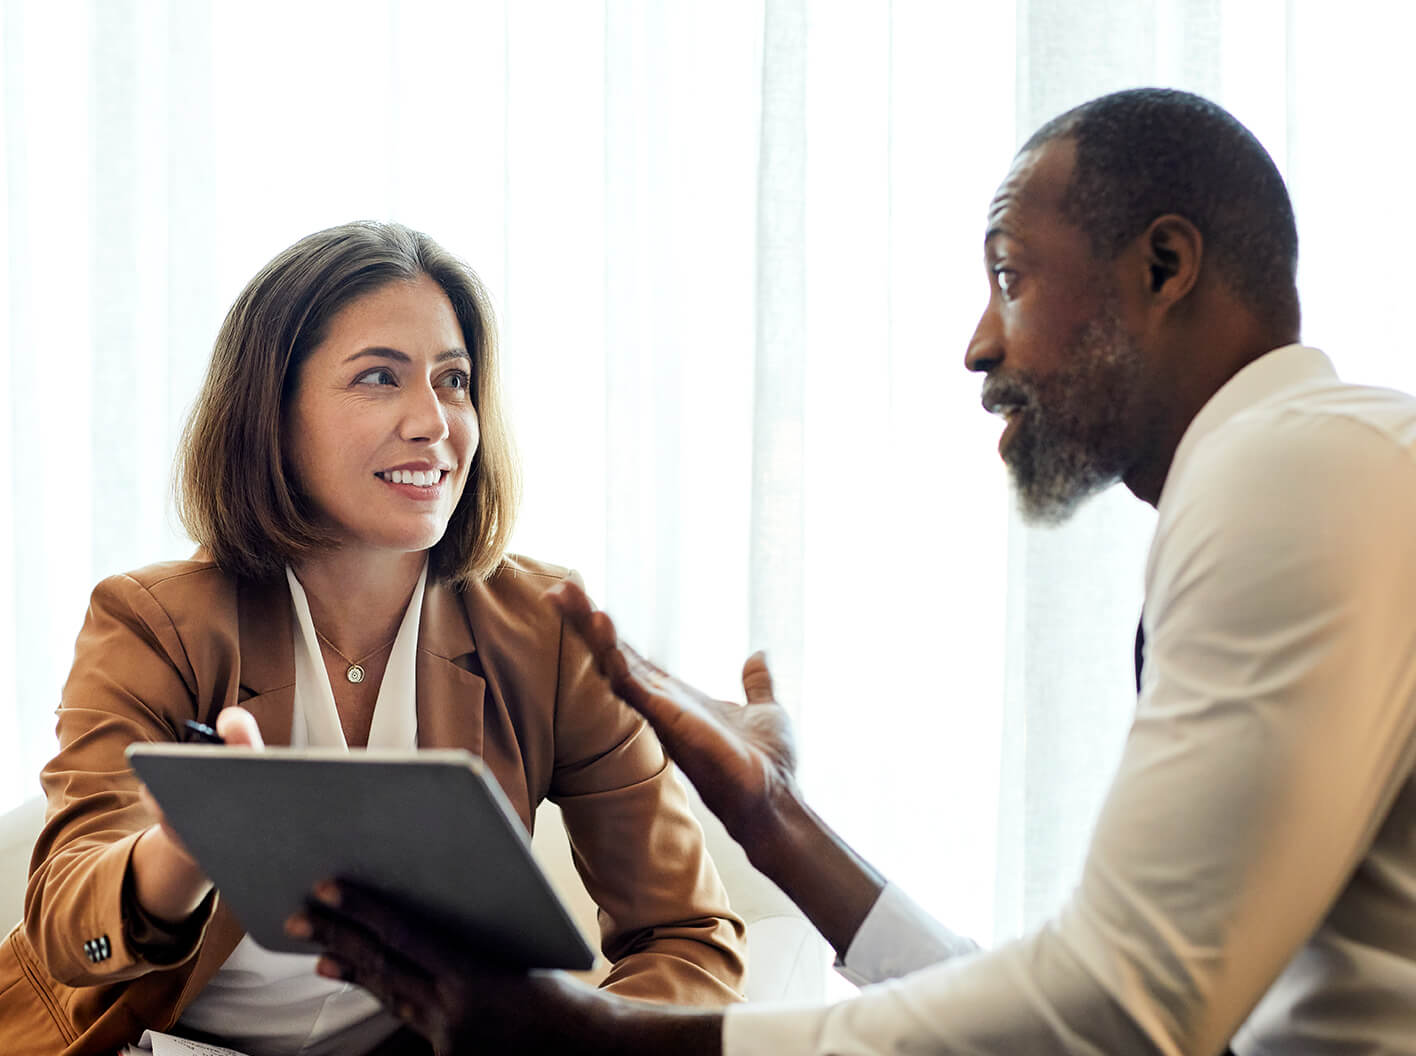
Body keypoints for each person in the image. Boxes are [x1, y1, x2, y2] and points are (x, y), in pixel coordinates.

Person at [293, 88, 1416, 1054]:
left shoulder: (1290, 472)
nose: (980, 343)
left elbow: (1124, 1006)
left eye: (1010, 277)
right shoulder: (1308, 471)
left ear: (1164, 265)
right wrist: (777, 823)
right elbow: (1085, 1012)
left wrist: (612, 1043)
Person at [0, 222, 746, 1056]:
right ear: (271, 413)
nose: (433, 421)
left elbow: (685, 935)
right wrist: (184, 848)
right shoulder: (152, 622)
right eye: (379, 378)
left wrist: (576, 1046)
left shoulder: (548, 631)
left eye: (454, 380)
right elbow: (72, 933)